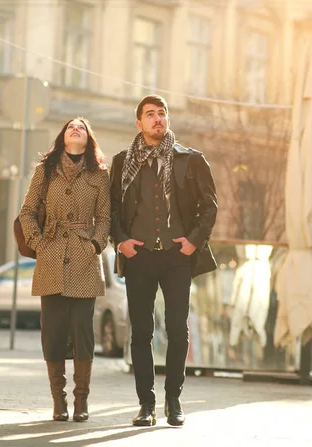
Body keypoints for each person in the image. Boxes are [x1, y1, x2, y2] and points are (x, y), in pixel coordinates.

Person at [110, 95, 218, 427]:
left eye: (162, 114)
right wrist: (121, 241)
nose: (158, 119)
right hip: (139, 257)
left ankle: (174, 401)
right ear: (139, 123)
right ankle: (146, 404)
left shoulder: (191, 160)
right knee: (141, 332)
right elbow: (110, 209)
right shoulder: (121, 162)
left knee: (177, 330)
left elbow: (210, 207)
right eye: (150, 114)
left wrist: (193, 241)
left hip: (176, 258)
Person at [19, 117, 110, 422]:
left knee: (83, 332)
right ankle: (59, 401)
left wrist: (95, 245)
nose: (75, 129)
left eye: (82, 127)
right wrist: (38, 242)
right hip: (51, 257)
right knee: (53, 333)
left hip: (85, 260)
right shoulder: (45, 171)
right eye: (71, 126)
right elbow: (28, 212)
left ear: (88, 139)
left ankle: (81, 400)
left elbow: (105, 219)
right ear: (63, 135)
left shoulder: (100, 175)